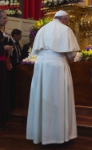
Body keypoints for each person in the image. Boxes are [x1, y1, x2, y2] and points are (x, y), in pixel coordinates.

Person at [26, 10, 80, 144]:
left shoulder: (42, 29)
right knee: (58, 98)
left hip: (41, 66)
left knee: (43, 99)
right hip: (57, 66)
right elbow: (72, 54)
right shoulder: (65, 29)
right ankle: (58, 135)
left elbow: (36, 50)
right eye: (67, 20)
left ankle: (42, 135)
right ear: (65, 19)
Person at [4, 29, 22, 110]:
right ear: (15, 35)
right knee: (10, 86)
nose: (21, 37)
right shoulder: (8, 42)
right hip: (11, 67)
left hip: (17, 67)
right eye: (19, 35)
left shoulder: (17, 43)